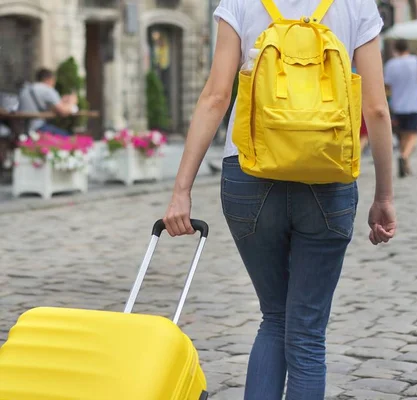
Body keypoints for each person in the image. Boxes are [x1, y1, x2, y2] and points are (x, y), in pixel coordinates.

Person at [162, 1, 397, 399]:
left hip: (249, 174)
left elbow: (216, 97)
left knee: (274, 317)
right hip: (328, 177)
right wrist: (384, 196)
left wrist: (181, 190)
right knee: (305, 332)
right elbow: (374, 109)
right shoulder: (357, 4)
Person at [384, 38, 417, 178]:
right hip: (413, 103)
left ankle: (407, 164)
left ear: (395, 49)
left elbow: (387, 85)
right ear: (407, 48)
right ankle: (404, 156)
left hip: (397, 105)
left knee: (404, 134)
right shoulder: (416, 61)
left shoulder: (390, 64)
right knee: (414, 134)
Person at [18, 68, 78, 136]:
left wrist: (61, 100)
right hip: (37, 129)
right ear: (50, 79)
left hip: (21, 130)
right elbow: (63, 111)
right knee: (70, 137)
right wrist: (72, 101)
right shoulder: (47, 90)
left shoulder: (26, 89)